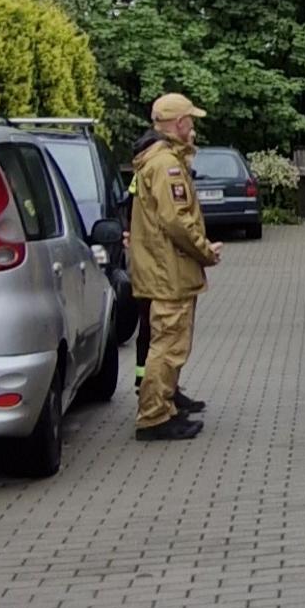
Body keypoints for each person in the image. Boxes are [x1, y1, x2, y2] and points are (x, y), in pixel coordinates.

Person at [129, 93, 222, 442]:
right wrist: (205, 251)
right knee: (168, 344)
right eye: (191, 121)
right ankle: (154, 416)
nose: (194, 127)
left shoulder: (155, 160)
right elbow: (177, 221)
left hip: (163, 269)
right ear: (179, 123)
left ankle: (163, 406)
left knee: (168, 342)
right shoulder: (165, 165)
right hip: (169, 272)